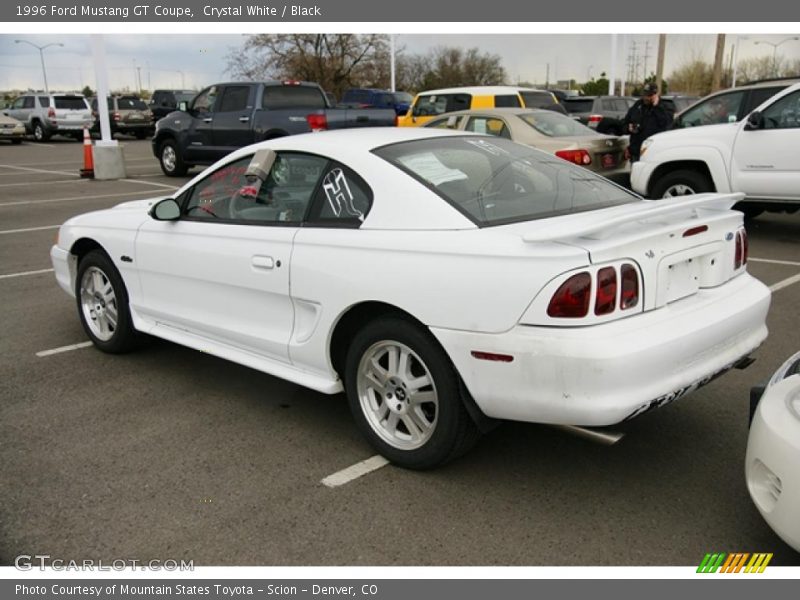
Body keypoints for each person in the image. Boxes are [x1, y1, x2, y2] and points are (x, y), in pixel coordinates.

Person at [622, 82, 672, 162]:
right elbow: (624, 123)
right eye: (644, 95)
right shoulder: (638, 106)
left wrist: (657, 106)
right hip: (636, 152)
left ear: (656, 95)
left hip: (653, 153)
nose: (646, 98)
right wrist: (628, 128)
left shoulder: (664, 106)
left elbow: (666, 123)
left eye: (649, 95)